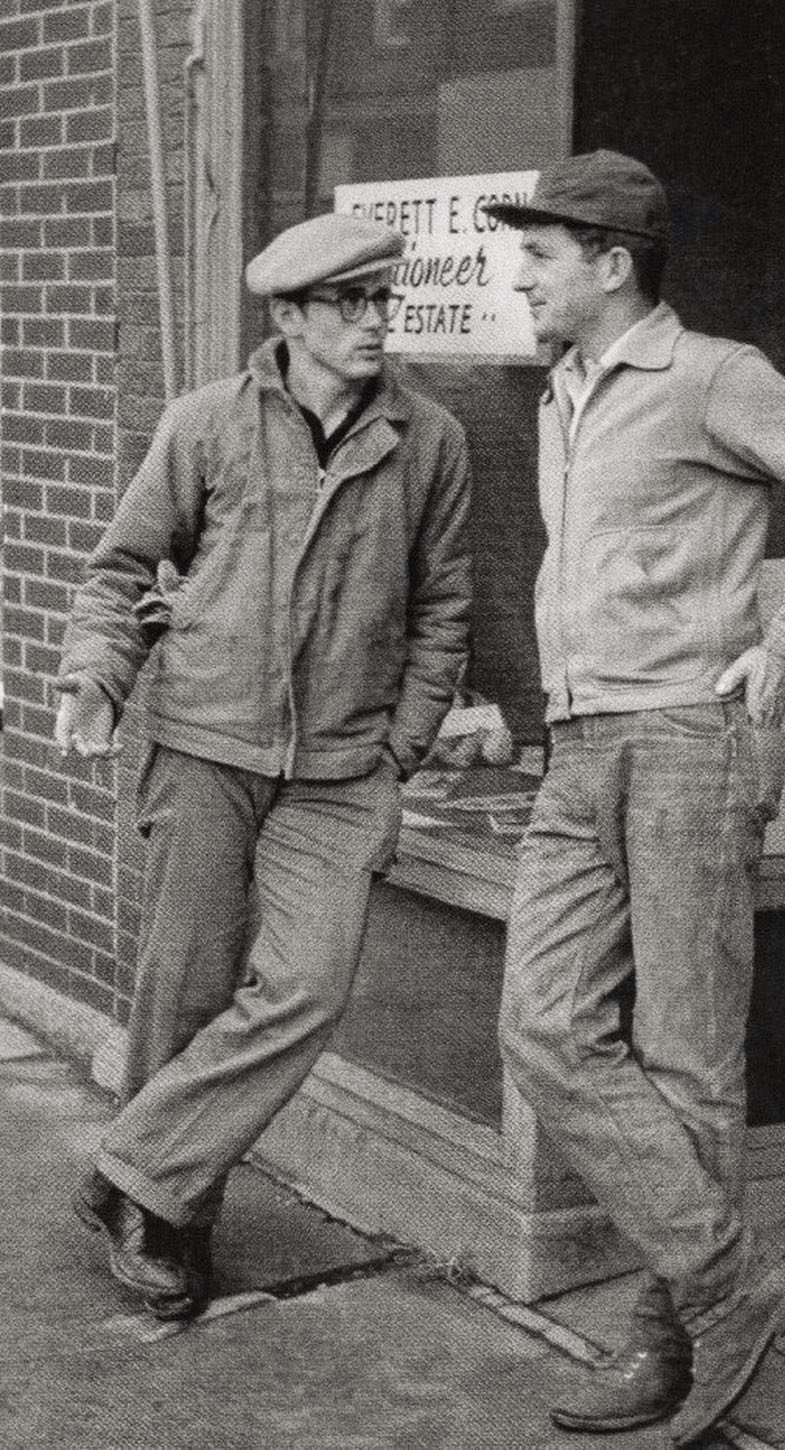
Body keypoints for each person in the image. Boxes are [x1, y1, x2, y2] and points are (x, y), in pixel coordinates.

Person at [484, 150, 785, 1445]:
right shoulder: (558, 394)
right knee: (545, 1022)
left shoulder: (712, 374)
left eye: (542, 254)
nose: (521, 274)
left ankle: (669, 1334)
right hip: (579, 742)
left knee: (685, 1057)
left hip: (684, 739)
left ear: (613, 265)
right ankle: (732, 1284)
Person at [55, 213, 472, 1319]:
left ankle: (127, 1169)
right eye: (351, 303)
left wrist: (400, 745)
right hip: (204, 747)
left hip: (343, 769)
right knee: (186, 986)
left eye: (386, 300)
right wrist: (94, 679)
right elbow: (119, 572)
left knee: (306, 988)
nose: (377, 320)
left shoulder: (429, 440)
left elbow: (444, 607)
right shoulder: (208, 426)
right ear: (288, 317)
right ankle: (174, 1219)